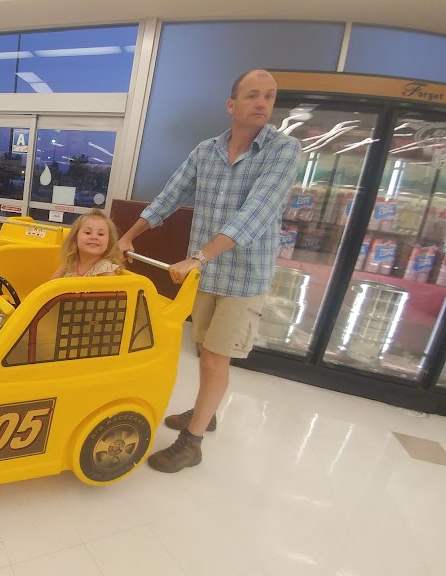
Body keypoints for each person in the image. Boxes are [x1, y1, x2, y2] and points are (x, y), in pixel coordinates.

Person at [117, 69, 301, 474]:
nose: (262, 103)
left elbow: (255, 214)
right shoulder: (207, 151)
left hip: (244, 278)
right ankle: (207, 410)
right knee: (204, 352)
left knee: (217, 360)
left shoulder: (283, 151)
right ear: (231, 104)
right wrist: (128, 236)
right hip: (206, 275)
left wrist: (198, 257)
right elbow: (170, 196)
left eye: (269, 96)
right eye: (252, 95)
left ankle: (192, 443)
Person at [50, 208, 124, 279]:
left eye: (101, 234)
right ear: (75, 238)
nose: (94, 237)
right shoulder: (69, 263)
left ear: (109, 242)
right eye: (88, 232)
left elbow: (112, 288)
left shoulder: (105, 269)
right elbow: (51, 284)